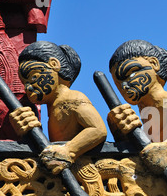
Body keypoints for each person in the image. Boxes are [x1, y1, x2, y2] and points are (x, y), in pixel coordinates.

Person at [9, 41, 107, 174]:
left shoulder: (73, 98)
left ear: (54, 65)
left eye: (34, 77)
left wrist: (69, 150)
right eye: (24, 83)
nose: (28, 87)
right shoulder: (53, 108)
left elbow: (97, 129)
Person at [108, 39, 167, 174]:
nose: (124, 85)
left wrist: (166, 148)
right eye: (118, 83)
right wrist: (118, 129)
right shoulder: (144, 110)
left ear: (154, 63)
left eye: (131, 74)